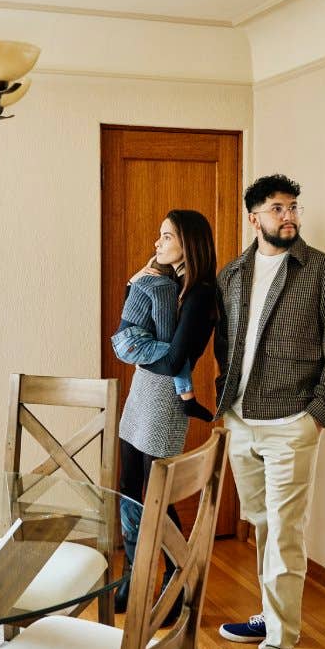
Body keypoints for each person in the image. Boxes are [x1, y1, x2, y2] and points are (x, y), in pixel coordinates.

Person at [213, 175, 325, 649]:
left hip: (292, 422)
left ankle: (279, 642)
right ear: (254, 218)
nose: (289, 216)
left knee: (286, 529)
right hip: (240, 419)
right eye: (277, 208)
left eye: (293, 207)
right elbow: (226, 349)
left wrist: (314, 418)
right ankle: (268, 614)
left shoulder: (323, 272)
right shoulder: (232, 275)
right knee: (261, 524)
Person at [113, 209, 217, 613]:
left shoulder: (201, 293)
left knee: (158, 495)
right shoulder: (171, 283)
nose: (158, 243)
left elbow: (175, 361)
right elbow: (133, 333)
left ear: (188, 243)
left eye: (167, 236)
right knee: (129, 486)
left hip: (164, 406)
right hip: (141, 395)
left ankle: (177, 582)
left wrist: (138, 351)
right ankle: (131, 578)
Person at [111, 259, 214, 422]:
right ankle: (188, 400)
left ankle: (188, 400)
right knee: (179, 357)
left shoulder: (141, 282)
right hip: (135, 341)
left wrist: (133, 279)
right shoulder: (164, 286)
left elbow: (129, 307)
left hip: (121, 341)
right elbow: (163, 321)